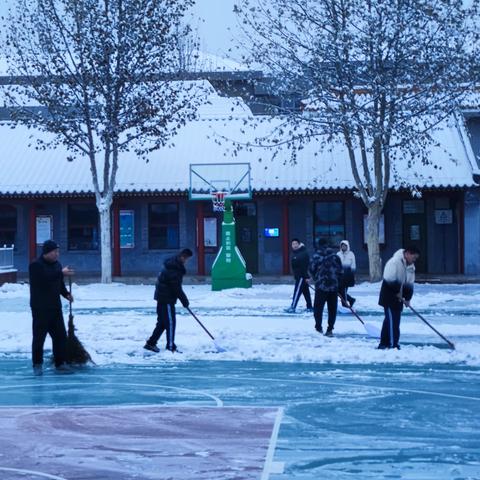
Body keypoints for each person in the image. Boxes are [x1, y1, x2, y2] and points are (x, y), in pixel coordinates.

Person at [29, 239, 74, 375]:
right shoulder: (36, 266)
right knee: (39, 337)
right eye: (54, 252)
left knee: (60, 337)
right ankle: (37, 364)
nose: (57, 254)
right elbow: (45, 278)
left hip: (55, 307)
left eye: (58, 252)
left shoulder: (56, 265)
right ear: (47, 252)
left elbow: (58, 283)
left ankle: (60, 363)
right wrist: (61, 273)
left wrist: (66, 294)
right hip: (40, 308)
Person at [144, 248, 193, 353]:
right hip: (166, 299)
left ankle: (151, 343)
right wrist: (185, 301)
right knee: (170, 323)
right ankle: (170, 347)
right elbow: (176, 288)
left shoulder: (172, 264)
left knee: (162, 323)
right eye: (187, 259)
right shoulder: (174, 269)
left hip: (162, 297)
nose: (186, 261)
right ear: (182, 257)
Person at [378, 246, 420, 350]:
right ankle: (393, 344)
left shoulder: (410, 267)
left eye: (415, 259)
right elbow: (389, 279)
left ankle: (384, 343)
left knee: (389, 320)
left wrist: (408, 298)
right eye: (413, 257)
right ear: (407, 253)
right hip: (389, 296)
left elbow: (409, 284)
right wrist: (397, 292)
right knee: (393, 321)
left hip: (399, 297)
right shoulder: (394, 262)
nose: (414, 260)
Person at [309, 238, 343, 337]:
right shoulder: (335, 257)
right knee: (332, 309)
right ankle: (330, 329)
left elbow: (311, 269)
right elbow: (341, 271)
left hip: (321, 286)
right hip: (333, 286)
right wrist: (336, 281)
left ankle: (318, 327)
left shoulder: (316, 257)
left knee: (318, 308)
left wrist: (316, 278)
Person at [285, 238, 312, 313]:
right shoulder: (296, 252)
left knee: (297, 292)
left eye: (296, 244)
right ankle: (309, 306)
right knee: (306, 292)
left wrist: (306, 276)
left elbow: (304, 266)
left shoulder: (303, 253)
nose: (294, 245)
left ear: (299, 244)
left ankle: (293, 306)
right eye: (293, 244)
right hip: (299, 276)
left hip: (301, 276)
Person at [337, 240, 356, 307]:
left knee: (343, 290)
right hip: (339, 275)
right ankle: (350, 300)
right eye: (342, 246)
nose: (343, 247)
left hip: (347, 275)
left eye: (345, 246)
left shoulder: (351, 254)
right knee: (338, 291)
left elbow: (353, 265)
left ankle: (345, 305)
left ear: (347, 246)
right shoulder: (338, 254)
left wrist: (353, 274)